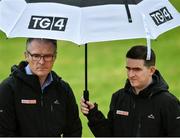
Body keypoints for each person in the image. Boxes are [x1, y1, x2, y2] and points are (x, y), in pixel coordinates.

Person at [80, 45, 180, 137]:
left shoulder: (168, 103)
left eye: (137, 69)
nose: (131, 74)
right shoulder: (118, 97)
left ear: (151, 70)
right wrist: (93, 115)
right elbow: (109, 135)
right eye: (128, 69)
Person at [0, 38, 82, 136]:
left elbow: (73, 130)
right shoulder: (8, 89)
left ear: (55, 56)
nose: (42, 62)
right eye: (36, 56)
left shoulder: (63, 89)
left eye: (47, 56)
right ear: (26, 56)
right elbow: (4, 133)